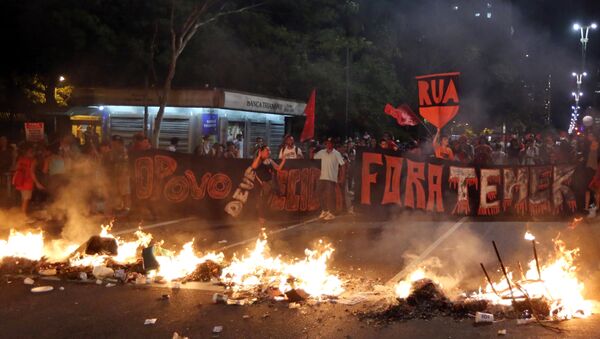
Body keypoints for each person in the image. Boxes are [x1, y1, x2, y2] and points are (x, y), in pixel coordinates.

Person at [251, 145, 286, 225]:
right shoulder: (259, 160)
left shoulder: (269, 160)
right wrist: (259, 156)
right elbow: (253, 166)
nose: (269, 152)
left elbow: (278, 168)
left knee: (266, 201)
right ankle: (261, 219)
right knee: (261, 202)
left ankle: (263, 218)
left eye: (269, 150)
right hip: (261, 185)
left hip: (269, 185)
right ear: (262, 152)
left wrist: (283, 161)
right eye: (267, 150)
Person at [314, 137, 345, 220]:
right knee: (318, 193)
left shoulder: (336, 153)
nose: (328, 144)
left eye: (330, 143)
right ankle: (325, 210)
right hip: (322, 177)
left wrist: (342, 177)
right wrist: (312, 149)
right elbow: (313, 158)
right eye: (327, 143)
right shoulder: (321, 152)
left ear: (333, 144)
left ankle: (332, 213)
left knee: (331, 196)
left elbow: (342, 165)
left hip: (331, 178)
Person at [13, 143, 44, 216]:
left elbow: (15, 168)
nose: (33, 153)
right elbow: (32, 172)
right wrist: (37, 183)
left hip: (20, 181)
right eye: (32, 152)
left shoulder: (21, 159)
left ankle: (22, 213)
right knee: (26, 199)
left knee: (24, 198)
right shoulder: (33, 161)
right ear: (28, 152)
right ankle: (23, 216)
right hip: (27, 182)